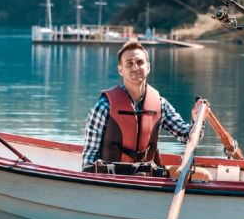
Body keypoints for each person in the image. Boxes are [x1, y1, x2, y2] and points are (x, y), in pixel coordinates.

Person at [82, 40, 208, 179]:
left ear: (148, 67)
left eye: (140, 63)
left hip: (148, 175)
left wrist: (197, 120)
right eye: (129, 64)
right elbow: (89, 157)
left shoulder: (160, 104)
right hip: (112, 177)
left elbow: (187, 137)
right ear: (120, 70)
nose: (135, 68)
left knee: (204, 176)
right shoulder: (104, 106)